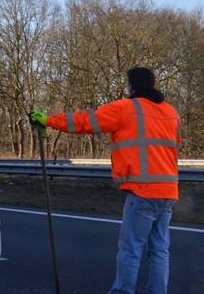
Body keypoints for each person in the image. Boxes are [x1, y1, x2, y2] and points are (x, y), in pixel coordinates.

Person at [29, 67, 179, 294]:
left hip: (142, 193)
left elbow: (84, 121)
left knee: (131, 250)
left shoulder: (125, 108)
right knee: (160, 250)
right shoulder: (171, 112)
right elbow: (174, 147)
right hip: (168, 192)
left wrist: (49, 120)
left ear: (132, 87)